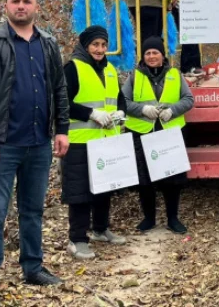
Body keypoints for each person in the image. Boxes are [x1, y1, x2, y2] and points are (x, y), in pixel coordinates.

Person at [0, 0, 70, 307]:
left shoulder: (48, 44)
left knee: (33, 210)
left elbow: (59, 89)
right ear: (6, 5)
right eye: (16, 1)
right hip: (1, 146)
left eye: (27, 1)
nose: (21, 6)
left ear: (37, 7)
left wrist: (61, 130)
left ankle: (33, 267)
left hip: (38, 143)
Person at [61, 25, 127, 260]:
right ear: (85, 46)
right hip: (80, 141)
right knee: (80, 192)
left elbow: (119, 98)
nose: (100, 49)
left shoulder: (109, 69)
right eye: (95, 45)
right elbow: (62, 103)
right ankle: (77, 239)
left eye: (103, 45)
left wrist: (121, 113)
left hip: (106, 139)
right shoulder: (73, 68)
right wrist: (90, 114)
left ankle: (100, 229)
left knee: (104, 188)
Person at [122, 36, 195, 234]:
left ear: (163, 55)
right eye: (148, 53)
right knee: (145, 180)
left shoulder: (175, 74)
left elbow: (188, 99)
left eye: (155, 52)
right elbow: (124, 102)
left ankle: (173, 218)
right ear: (143, 56)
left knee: (172, 179)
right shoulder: (134, 76)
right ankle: (149, 218)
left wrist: (172, 110)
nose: (152, 56)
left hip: (170, 132)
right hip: (141, 132)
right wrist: (143, 109)